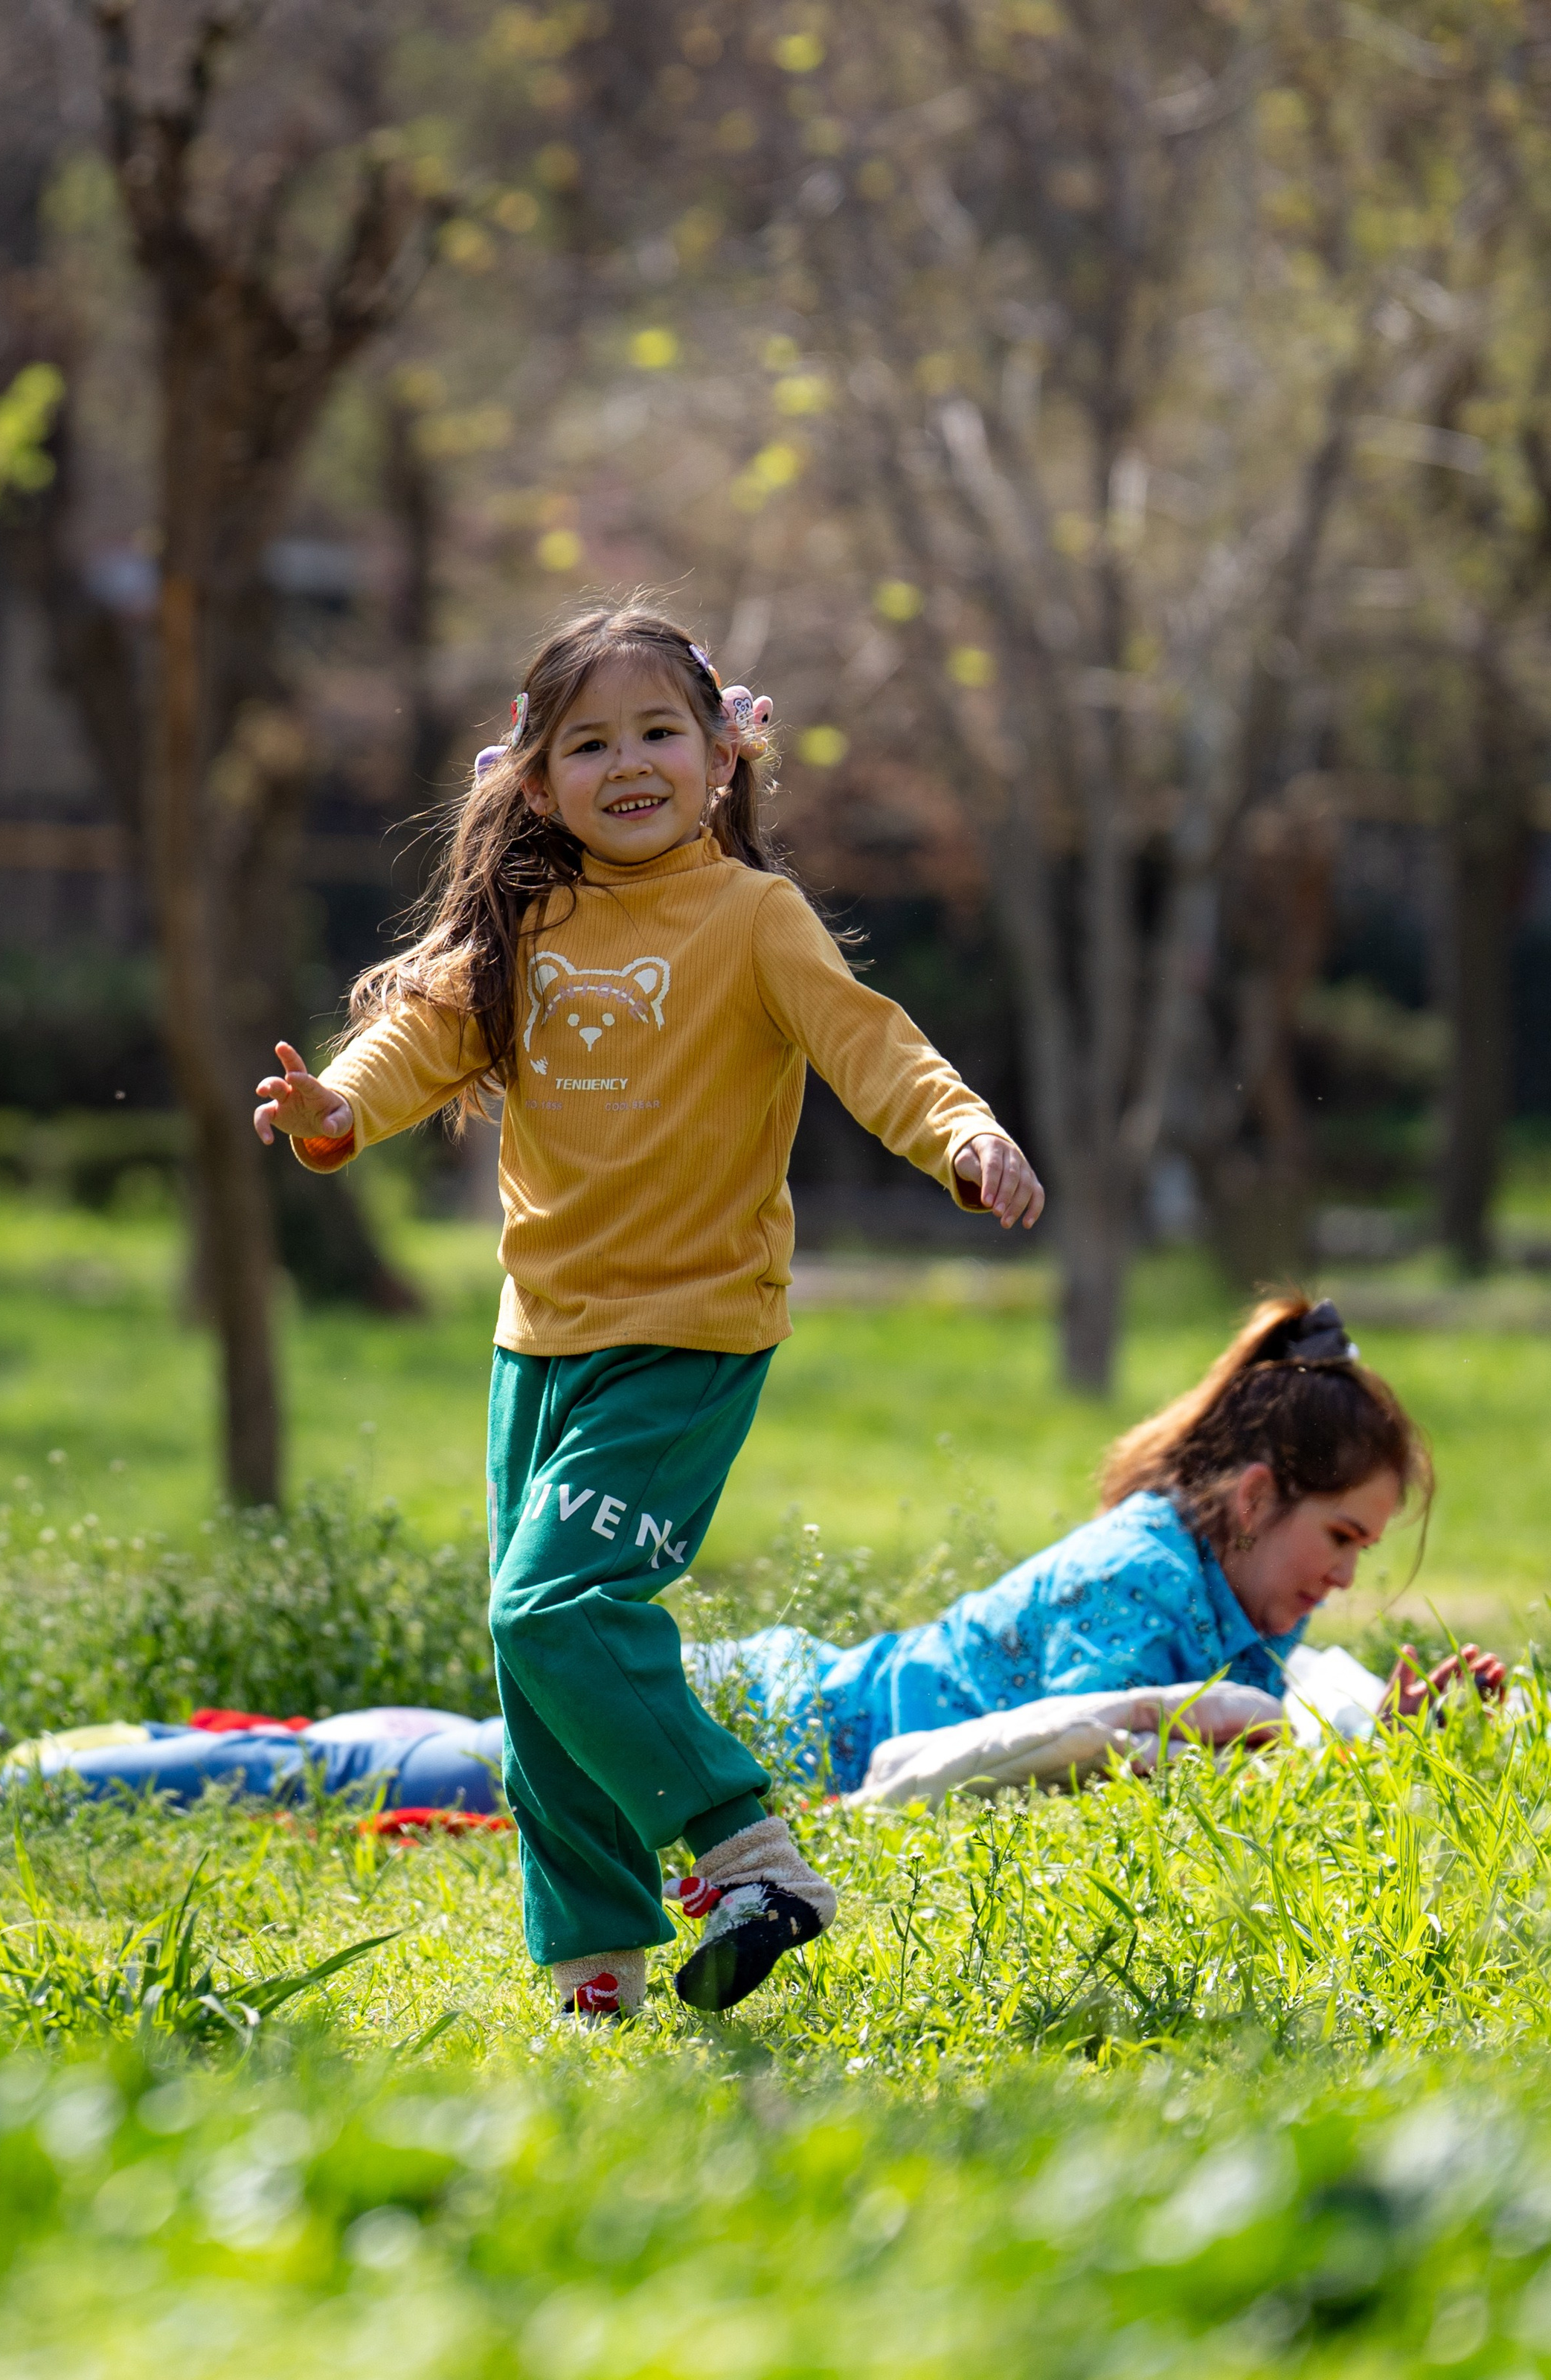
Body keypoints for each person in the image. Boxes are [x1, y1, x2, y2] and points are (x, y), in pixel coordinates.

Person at [253, 603, 1043, 2019]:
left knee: (562, 1609)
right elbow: (421, 1034)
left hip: (686, 1336)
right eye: (591, 742)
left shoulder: (754, 918)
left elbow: (871, 1042)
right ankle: (595, 1973)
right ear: (536, 778)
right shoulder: (526, 918)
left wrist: (961, 1131)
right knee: (530, 1642)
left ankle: (752, 1854)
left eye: (659, 733)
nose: (630, 764)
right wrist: (335, 1108)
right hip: (536, 1340)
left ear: (724, 754)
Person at [720, 1294, 1506, 1792]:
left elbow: (1235, 1754)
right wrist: (1351, 1763)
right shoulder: (1137, 1573)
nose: (1344, 1576)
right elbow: (1105, 1778)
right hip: (784, 1730)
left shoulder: (1255, 1603)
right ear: (1257, 1497)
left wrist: (1390, 1744)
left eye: (1362, 1549)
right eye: (1340, 1535)